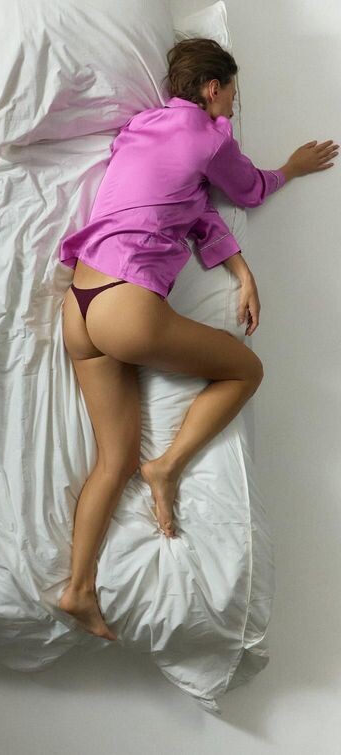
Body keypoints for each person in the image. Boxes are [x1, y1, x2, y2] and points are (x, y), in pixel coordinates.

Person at [56, 37, 337, 639]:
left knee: (113, 461)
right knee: (246, 371)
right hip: (127, 308)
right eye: (233, 93)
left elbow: (192, 208)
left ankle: (77, 589)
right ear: (213, 88)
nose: (233, 105)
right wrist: (291, 167)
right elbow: (249, 190)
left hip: (80, 304)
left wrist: (241, 269)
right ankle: (168, 467)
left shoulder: (139, 128)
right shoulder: (211, 139)